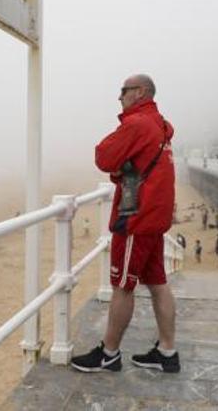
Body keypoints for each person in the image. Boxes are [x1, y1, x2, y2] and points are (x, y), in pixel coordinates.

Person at [70, 74, 180, 374]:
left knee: (122, 286)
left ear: (140, 92)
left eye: (123, 91)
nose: (119, 97)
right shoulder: (160, 124)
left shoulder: (137, 124)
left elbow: (103, 156)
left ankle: (109, 353)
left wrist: (119, 168)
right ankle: (168, 352)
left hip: (137, 217)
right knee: (158, 284)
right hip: (156, 217)